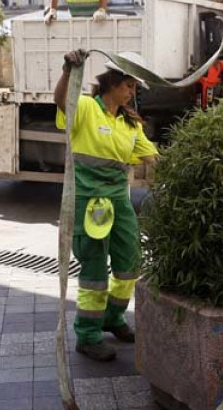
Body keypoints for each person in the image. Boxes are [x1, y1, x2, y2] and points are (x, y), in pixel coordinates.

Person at [53, 49, 158, 361]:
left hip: (119, 202)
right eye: (129, 86)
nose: (132, 93)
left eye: (134, 88)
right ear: (113, 83)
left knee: (130, 265)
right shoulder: (86, 108)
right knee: (95, 271)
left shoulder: (130, 124)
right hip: (89, 203)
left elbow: (152, 157)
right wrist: (68, 72)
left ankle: (114, 318)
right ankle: (88, 335)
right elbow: (62, 101)